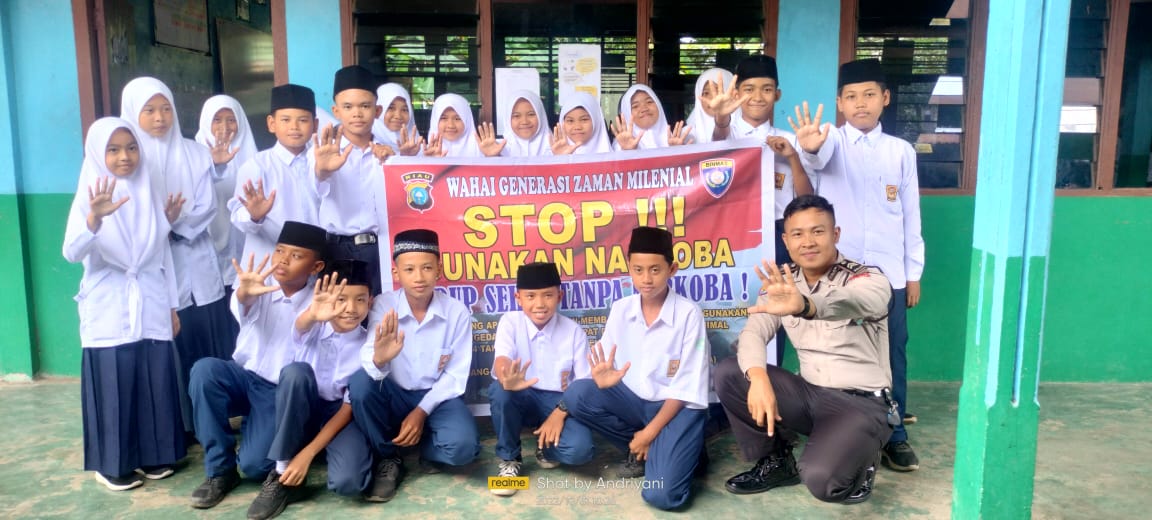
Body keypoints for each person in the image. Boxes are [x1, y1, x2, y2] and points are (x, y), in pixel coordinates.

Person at [715, 194, 895, 505]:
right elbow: (753, 334)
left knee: (824, 483)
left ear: (835, 234)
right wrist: (757, 379)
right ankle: (777, 462)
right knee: (730, 372)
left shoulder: (866, 278)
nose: (808, 242)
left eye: (818, 231)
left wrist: (806, 305)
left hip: (860, 404)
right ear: (786, 240)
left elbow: (857, 301)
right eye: (798, 234)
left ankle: (863, 460)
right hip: (810, 396)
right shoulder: (784, 283)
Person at [792, 58, 924, 471]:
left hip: (888, 276)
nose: (860, 104)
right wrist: (811, 146)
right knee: (826, 346)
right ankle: (830, 422)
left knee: (892, 354)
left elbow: (910, 216)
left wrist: (913, 273)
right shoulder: (831, 142)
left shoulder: (900, 152)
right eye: (851, 97)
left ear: (884, 99)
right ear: (839, 103)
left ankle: (894, 434)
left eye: (869, 95)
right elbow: (815, 159)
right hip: (835, 273)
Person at [64, 117, 186, 491]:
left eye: (131, 148)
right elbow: (71, 252)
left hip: (149, 298)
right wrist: (94, 220)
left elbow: (162, 253)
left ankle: (154, 454)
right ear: (99, 154)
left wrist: (171, 305)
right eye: (114, 149)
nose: (125, 157)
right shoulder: (89, 190)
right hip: (109, 302)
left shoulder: (149, 187)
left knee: (153, 377)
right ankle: (112, 463)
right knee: (114, 378)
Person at [563, 226, 711, 511]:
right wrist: (603, 379)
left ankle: (672, 448)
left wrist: (648, 434)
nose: (646, 279)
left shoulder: (688, 314)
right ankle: (666, 452)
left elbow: (686, 388)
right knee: (577, 394)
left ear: (672, 269)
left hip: (675, 408)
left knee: (662, 496)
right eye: (638, 269)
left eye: (655, 270)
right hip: (634, 402)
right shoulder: (621, 308)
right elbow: (605, 362)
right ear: (628, 268)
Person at [186, 221, 327, 509]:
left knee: (254, 467)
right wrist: (244, 292)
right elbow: (243, 302)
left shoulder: (322, 301)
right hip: (243, 377)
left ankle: (280, 444)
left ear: (316, 267)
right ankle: (220, 471)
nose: (283, 260)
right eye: (279, 251)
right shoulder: (259, 286)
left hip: (277, 392)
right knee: (205, 370)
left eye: (296, 256)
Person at [120, 77, 232, 437]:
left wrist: (174, 224)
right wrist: (160, 224)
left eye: (165, 108)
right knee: (169, 348)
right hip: (156, 266)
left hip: (198, 259)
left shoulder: (195, 153)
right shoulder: (129, 160)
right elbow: (130, 216)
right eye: (150, 110)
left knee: (204, 342)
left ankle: (210, 423)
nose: (159, 118)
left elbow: (206, 207)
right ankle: (178, 428)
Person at [348, 229, 480, 504]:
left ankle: (423, 449)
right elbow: (370, 362)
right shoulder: (384, 305)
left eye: (426, 268)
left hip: (436, 396)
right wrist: (380, 359)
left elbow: (455, 376)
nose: (419, 277)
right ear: (397, 273)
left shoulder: (457, 312)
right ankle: (389, 456)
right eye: (409, 269)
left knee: (464, 449)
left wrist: (421, 412)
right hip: (394, 392)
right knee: (360, 384)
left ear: (438, 270)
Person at [245, 261, 374, 520]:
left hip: (337, 415)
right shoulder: (312, 327)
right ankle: (281, 474)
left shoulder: (368, 344)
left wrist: (308, 453)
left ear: (370, 302)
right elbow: (301, 326)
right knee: (253, 465)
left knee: (349, 482)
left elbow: (347, 409)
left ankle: (316, 452)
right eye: (341, 300)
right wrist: (313, 314)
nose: (350, 309)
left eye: (360, 299)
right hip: (299, 408)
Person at [488, 262, 594, 497]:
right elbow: (502, 359)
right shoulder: (510, 321)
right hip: (522, 395)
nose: (539, 304)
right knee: (500, 390)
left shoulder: (574, 331)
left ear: (559, 296)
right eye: (531, 296)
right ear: (518, 297)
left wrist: (560, 412)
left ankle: (545, 449)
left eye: (548, 295)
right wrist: (507, 377)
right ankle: (510, 460)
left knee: (581, 450)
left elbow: (584, 385)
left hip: (557, 403)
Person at [313, 65, 394, 297]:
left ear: (377, 111)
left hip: (379, 249)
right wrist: (323, 170)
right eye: (348, 107)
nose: (356, 113)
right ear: (336, 111)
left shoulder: (389, 154)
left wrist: (392, 163)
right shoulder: (322, 151)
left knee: (380, 311)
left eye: (365, 106)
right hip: (337, 248)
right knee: (342, 317)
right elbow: (317, 189)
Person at [230, 84, 322, 272]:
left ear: (315, 125)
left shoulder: (321, 162)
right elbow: (237, 215)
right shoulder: (257, 166)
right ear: (272, 124)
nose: (294, 127)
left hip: (315, 263)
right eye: (286, 120)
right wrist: (254, 215)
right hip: (269, 264)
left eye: (303, 120)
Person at [196, 94, 257, 290]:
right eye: (217, 120)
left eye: (231, 120)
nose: (225, 127)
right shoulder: (192, 154)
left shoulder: (254, 158)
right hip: (206, 244)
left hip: (244, 243)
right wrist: (214, 166)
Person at [610, 85, 692, 150]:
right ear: (627, 114)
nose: (644, 109)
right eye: (635, 106)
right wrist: (627, 152)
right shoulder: (620, 145)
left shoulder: (676, 141)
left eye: (649, 102)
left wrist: (678, 153)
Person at [478, 90, 552, 157]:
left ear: (541, 116)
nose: (524, 122)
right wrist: (492, 157)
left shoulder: (555, 147)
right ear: (508, 120)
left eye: (531, 114)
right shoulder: (498, 148)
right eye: (516, 116)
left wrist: (561, 157)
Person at [423, 93, 483, 157]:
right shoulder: (424, 154)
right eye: (444, 118)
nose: (451, 125)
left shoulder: (481, 152)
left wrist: (492, 157)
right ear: (435, 121)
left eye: (457, 118)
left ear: (467, 121)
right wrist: (432, 162)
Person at [685, 67, 733, 145]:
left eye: (717, 91)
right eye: (706, 93)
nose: (712, 99)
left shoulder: (744, 130)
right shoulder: (687, 135)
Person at [372, 83, 423, 156]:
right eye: (391, 108)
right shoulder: (365, 147)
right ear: (377, 110)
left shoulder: (419, 149)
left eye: (405, 109)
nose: (398, 116)